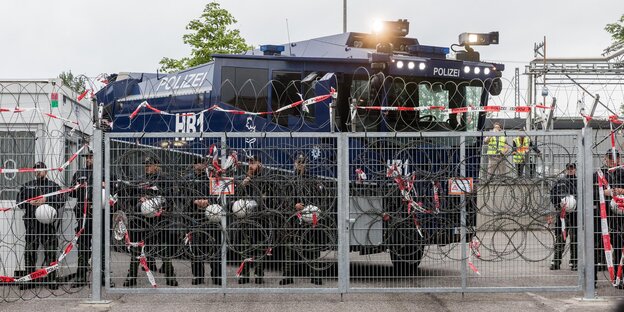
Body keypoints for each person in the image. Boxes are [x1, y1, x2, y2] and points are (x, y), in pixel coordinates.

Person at [123, 156, 178, 287]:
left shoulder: (165, 179)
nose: (147, 167)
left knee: (165, 248)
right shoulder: (141, 180)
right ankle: (132, 276)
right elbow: (131, 198)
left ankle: (170, 276)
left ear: (157, 165)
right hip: (141, 219)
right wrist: (139, 198)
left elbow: (171, 198)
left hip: (160, 218)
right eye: (145, 165)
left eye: (150, 165)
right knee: (136, 248)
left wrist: (153, 199)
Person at [69, 149, 114, 287]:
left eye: (91, 158)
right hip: (83, 216)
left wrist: (106, 186)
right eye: (87, 158)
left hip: (102, 215)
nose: (88, 160)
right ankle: (81, 276)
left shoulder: (106, 173)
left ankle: (103, 277)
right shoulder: (79, 173)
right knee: (82, 245)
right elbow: (71, 193)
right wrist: (78, 187)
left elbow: (116, 190)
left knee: (102, 246)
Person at [279, 154, 327, 286]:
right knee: (289, 248)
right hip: (293, 219)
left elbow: (319, 198)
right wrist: (294, 206)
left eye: (303, 162)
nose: (300, 164)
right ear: (294, 163)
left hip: (309, 218)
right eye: (298, 162)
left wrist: (308, 207)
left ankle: (315, 276)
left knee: (312, 248)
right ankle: (288, 276)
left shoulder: (312, 180)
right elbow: (283, 200)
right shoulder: (289, 180)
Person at [17, 162, 65, 290]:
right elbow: (19, 203)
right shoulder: (28, 186)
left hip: (47, 225)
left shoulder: (53, 186)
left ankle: (51, 279)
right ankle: (29, 279)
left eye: (41, 169)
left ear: (46, 171)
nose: (38, 171)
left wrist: (46, 200)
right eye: (36, 170)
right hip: (32, 224)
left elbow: (61, 200)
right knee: (30, 251)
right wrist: (29, 202)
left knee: (50, 251)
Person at [186, 157, 222, 286]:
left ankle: (217, 276)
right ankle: (198, 276)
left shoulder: (213, 177)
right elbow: (183, 197)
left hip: (213, 216)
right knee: (196, 248)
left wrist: (209, 202)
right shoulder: (188, 179)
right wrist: (194, 201)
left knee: (215, 247)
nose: (199, 165)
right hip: (195, 216)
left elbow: (221, 195)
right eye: (196, 163)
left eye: (201, 162)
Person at [593, 150, 624, 287]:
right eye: (610, 158)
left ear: (619, 159)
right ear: (605, 159)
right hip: (601, 216)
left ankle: (620, 277)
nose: (612, 160)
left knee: (619, 246)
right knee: (596, 246)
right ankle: (591, 280)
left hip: (618, 216)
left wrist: (622, 191)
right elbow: (591, 191)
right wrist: (605, 192)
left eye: (615, 158)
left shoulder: (622, 173)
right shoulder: (599, 174)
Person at [235, 155, 268, 284]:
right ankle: (244, 274)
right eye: (249, 163)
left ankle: (259, 275)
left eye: (254, 162)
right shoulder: (242, 178)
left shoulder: (265, 179)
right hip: (245, 219)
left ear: (260, 164)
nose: (251, 165)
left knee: (260, 247)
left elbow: (268, 198)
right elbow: (234, 196)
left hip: (260, 218)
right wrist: (244, 183)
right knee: (245, 246)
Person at [549, 163, 578, 271]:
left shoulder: (579, 182)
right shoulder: (560, 181)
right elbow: (552, 194)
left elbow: (583, 196)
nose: (571, 170)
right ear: (566, 169)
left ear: (575, 169)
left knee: (575, 238)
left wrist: (575, 204)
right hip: (562, 214)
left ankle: (574, 262)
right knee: (560, 238)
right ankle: (556, 262)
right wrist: (558, 205)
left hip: (575, 214)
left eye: (572, 168)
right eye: (569, 168)